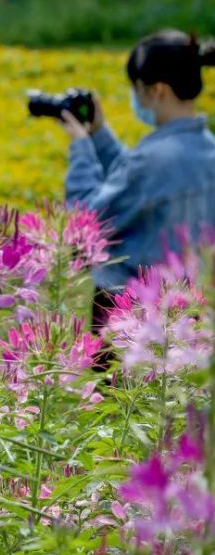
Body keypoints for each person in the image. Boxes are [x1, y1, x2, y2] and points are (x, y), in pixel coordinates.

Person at [59, 29, 215, 347]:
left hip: (130, 315)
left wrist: (81, 148)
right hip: (192, 313)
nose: (136, 98)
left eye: (137, 89)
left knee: (121, 398)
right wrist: (100, 135)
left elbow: (85, 220)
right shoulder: (207, 149)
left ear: (156, 90)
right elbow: (140, 192)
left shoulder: (150, 160)